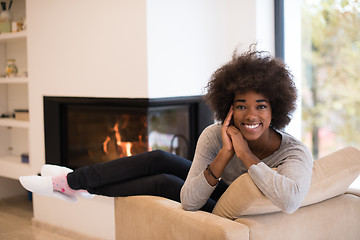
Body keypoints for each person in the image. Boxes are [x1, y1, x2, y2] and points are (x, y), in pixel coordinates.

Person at [20, 47, 313, 214]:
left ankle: (70, 185)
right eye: (241, 105)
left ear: (275, 108)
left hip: (236, 211)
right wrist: (224, 154)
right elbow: (193, 195)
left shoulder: (294, 152)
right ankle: (73, 180)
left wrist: (245, 155)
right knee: (159, 157)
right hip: (224, 193)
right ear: (228, 108)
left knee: (163, 182)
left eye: (261, 106)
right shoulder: (216, 135)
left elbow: (290, 201)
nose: (250, 115)